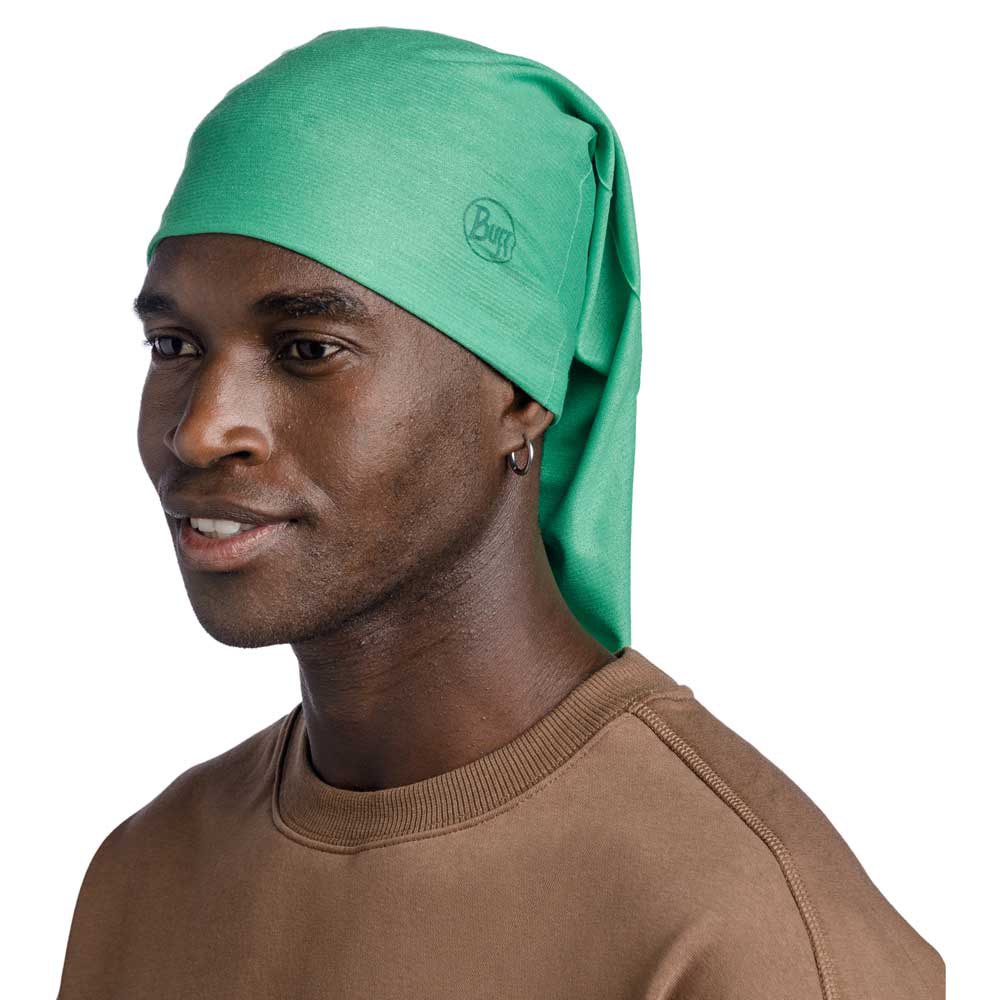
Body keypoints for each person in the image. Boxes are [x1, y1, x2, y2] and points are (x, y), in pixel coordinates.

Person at [57, 26, 944, 1000]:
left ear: (522, 393)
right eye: (175, 346)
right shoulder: (145, 878)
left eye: (307, 349)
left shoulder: (744, 931)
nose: (200, 430)